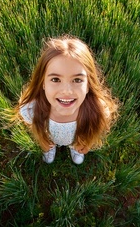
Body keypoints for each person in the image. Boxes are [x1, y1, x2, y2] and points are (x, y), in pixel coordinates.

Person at [14, 34, 118, 164]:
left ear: (88, 85)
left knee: (77, 142)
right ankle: (50, 148)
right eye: (56, 79)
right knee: (49, 142)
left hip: (77, 138)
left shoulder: (98, 109)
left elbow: (95, 129)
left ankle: (74, 147)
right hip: (50, 138)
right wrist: (42, 140)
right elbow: (34, 126)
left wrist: (86, 143)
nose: (67, 91)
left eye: (77, 80)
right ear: (43, 83)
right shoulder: (32, 109)